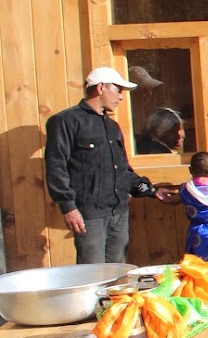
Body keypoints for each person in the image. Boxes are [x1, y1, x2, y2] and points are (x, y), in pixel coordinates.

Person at [44, 66, 165, 264]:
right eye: (118, 90)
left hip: (119, 213)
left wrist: (152, 191)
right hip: (89, 215)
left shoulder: (112, 126)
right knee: (92, 278)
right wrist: (68, 207)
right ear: (101, 88)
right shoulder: (65, 121)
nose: (121, 97)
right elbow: (56, 166)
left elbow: (122, 170)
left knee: (117, 277)